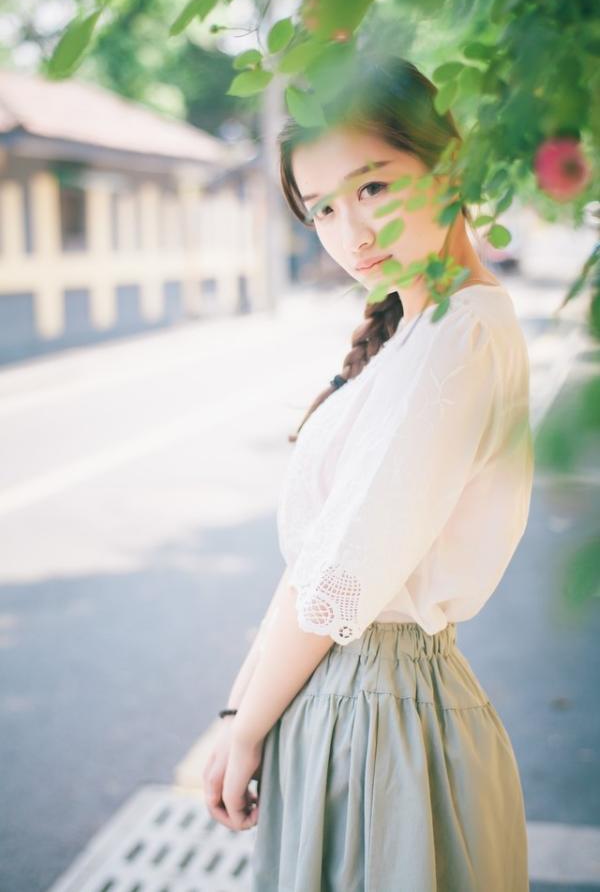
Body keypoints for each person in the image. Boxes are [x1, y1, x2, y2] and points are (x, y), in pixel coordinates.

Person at [203, 54, 534, 892]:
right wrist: (240, 716)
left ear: (446, 165)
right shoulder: (414, 338)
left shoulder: (463, 334)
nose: (351, 232)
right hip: (352, 708)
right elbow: (313, 563)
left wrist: (245, 733)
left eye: (373, 187)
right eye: (321, 207)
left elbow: (338, 579)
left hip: (379, 716)